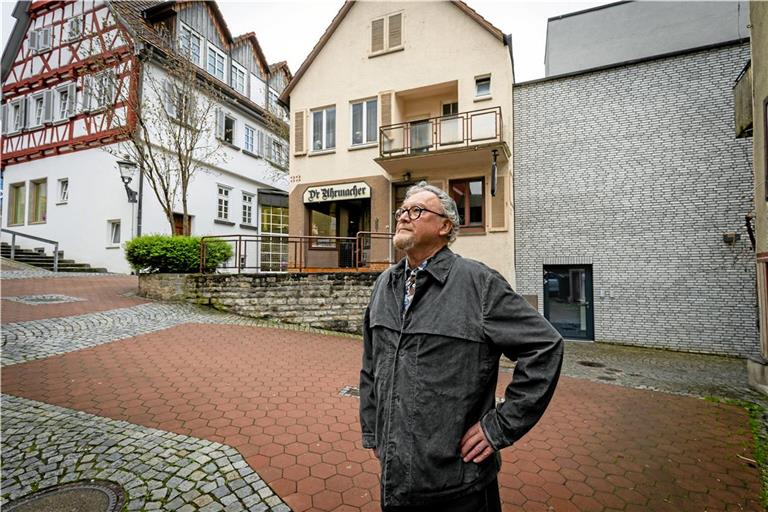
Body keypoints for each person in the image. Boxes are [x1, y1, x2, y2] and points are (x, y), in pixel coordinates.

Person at [359, 182, 564, 511]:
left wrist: (500, 426)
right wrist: (373, 432)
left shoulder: (478, 283)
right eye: (401, 211)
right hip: (395, 481)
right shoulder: (385, 284)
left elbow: (545, 346)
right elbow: (371, 366)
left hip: (459, 486)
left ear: (445, 226)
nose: (403, 217)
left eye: (416, 210)